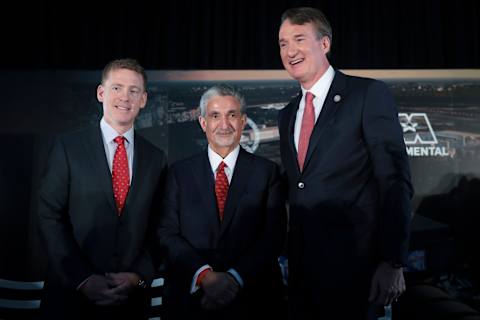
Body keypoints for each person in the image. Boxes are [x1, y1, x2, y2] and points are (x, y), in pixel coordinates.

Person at [277, 7, 413, 320]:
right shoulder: (286, 115)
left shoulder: (367, 94)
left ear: (324, 44)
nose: (290, 51)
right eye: (283, 43)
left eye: (299, 39)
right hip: (301, 276)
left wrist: (392, 261)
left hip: (357, 271)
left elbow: (394, 181)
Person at [38, 58, 167, 320]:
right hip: (70, 298)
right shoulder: (67, 148)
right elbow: (49, 217)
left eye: (134, 90)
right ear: (101, 93)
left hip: (130, 301)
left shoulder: (156, 158)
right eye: (117, 87)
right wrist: (83, 279)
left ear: (143, 99)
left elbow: (159, 227)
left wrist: (138, 278)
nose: (125, 97)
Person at [158, 84, 287, 320]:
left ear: (243, 121)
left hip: (254, 301)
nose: (224, 125)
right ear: (203, 123)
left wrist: (233, 279)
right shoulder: (178, 173)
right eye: (215, 115)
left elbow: (273, 236)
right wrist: (206, 276)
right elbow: (166, 233)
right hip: (190, 301)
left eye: (232, 115)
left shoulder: (267, 172)